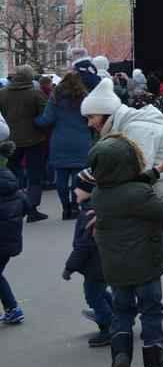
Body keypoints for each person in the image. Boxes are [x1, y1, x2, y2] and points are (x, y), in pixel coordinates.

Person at [80, 78, 163, 324]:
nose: (90, 123)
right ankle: (118, 309)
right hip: (155, 195)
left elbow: (135, 171)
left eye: (92, 117)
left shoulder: (137, 129)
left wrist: (92, 187)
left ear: (107, 113)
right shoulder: (127, 127)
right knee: (160, 254)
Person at [88, 134, 163, 367]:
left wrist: (158, 171)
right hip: (146, 266)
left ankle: (120, 356)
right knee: (151, 313)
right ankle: (154, 366)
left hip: (116, 268)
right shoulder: (140, 193)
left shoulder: (99, 194)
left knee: (122, 312)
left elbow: (129, 187)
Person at [62, 169, 113, 346]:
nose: (74, 191)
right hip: (104, 263)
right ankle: (118, 314)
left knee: (93, 296)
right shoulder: (98, 209)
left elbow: (84, 246)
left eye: (78, 188)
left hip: (95, 266)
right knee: (101, 292)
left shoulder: (89, 214)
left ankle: (107, 326)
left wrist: (69, 268)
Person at [35, 71, 93, 220]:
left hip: (60, 141)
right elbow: (91, 119)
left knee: (61, 179)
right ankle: (74, 206)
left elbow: (47, 120)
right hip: (81, 140)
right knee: (78, 177)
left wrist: (34, 121)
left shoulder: (55, 98)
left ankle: (65, 208)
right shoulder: (85, 98)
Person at [0, 65, 49, 222]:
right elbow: (45, 116)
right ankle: (32, 208)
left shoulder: (2, 93)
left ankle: (15, 204)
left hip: (10, 139)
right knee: (35, 174)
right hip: (35, 139)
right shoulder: (36, 94)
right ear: (30, 77)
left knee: (13, 172)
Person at [0, 168, 30, 324]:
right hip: (11, 241)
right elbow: (27, 207)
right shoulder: (17, 192)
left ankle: (13, 308)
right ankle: (12, 309)